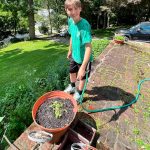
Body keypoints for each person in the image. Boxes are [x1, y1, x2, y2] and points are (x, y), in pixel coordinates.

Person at [64, 0, 93, 102]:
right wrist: (70, 50)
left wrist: (83, 67)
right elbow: (72, 36)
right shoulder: (70, 21)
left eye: (76, 8)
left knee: (82, 76)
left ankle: (79, 93)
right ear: (66, 10)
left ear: (80, 8)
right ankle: (72, 86)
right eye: (70, 9)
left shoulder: (84, 26)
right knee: (72, 71)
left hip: (84, 58)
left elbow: (88, 47)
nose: (73, 12)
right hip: (75, 55)